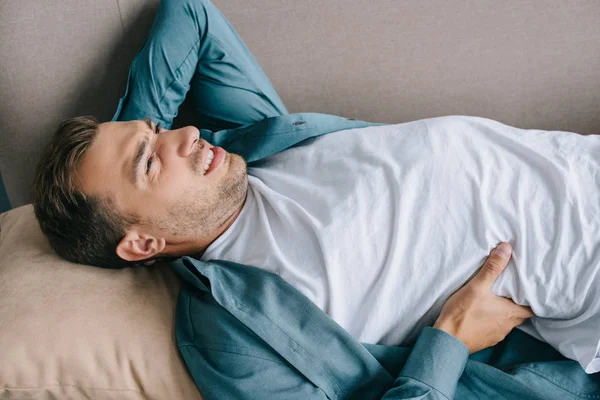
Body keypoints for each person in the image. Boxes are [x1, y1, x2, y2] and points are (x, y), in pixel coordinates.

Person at [32, 0, 599, 398]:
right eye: (152, 161)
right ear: (144, 243)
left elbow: (191, 13)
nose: (186, 136)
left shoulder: (256, 143)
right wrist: (448, 343)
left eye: (160, 130)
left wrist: (134, 138)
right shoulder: (232, 337)